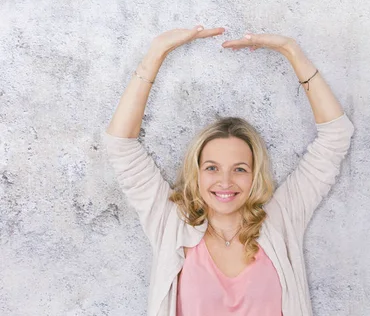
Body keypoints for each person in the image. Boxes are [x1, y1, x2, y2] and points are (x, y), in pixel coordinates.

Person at [103, 25, 355, 316]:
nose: (225, 181)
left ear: (254, 175)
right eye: (212, 167)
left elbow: (336, 136)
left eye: (239, 169)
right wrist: (156, 53)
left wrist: (292, 51)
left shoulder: (281, 220)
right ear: (196, 172)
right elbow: (120, 145)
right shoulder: (170, 224)